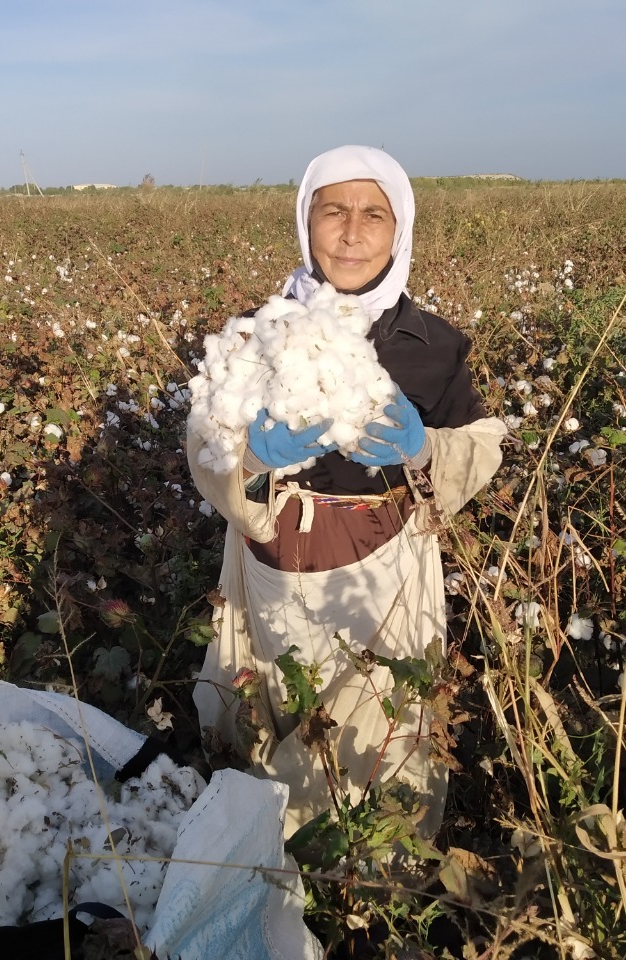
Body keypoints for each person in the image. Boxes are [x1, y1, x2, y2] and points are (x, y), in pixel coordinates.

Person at [187, 145, 507, 838]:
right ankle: (265, 870)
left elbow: (481, 446)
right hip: (269, 561)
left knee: (375, 741)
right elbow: (202, 445)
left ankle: (363, 891)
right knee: (260, 718)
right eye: (333, 212)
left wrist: (424, 449)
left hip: (384, 571)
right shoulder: (258, 335)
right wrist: (248, 457)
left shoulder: (433, 345)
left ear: (401, 231)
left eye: (373, 215)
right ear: (307, 223)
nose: (352, 233)